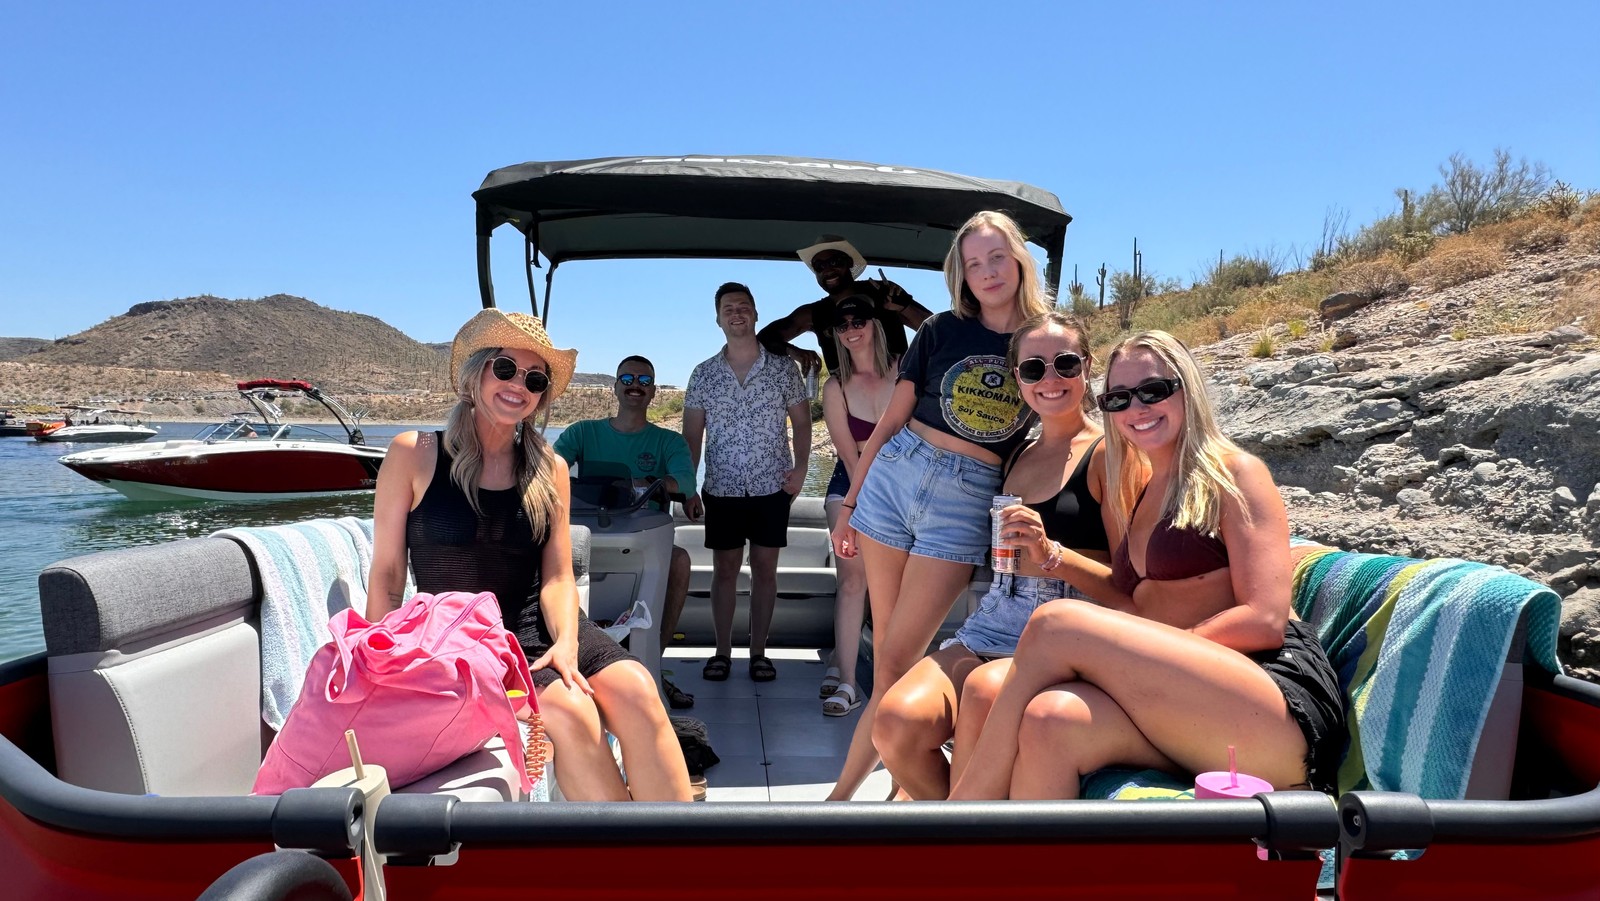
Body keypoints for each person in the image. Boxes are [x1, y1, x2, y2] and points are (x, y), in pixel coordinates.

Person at [947, 330, 1347, 800]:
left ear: (1187, 388)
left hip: (1270, 702)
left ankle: (955, 826)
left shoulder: (1234, 472)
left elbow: (1264, 621)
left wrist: (1135, 658)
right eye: (1118, 398)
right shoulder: (1144, 489)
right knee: (1050, 718)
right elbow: (1134, 602)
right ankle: (1022, 871)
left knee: (1055, 621)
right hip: (1189, 706)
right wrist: (1054, 557)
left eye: (1154, 390)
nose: (1137, 408)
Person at [367, 308, 692, 802]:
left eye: (534, 378)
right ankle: (631, 868)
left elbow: (559, 578)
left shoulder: (550, 467)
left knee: (640, 691)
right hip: (465, 637)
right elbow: (389, 575)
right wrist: (382, 666)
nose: (518, 384)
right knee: (572, 710)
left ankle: (682, 865)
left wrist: (564, 643)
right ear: (475, 374)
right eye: (505, 369)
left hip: (541, 622)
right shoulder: (414, 453)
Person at [825, 210, 1049, 801]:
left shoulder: (1042, 341)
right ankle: (880, 794)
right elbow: (890, 421)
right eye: (973, 263)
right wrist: (850, 498)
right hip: (898, 475)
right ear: (961, 275)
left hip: (968, 495)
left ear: (1020, 259)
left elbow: (1062, 416)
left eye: (997, 257)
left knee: (898, 658)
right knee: (892, 654)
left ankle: (839, 802)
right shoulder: (942, 330)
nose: (987, 272)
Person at [872, 310, 1110, 799]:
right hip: (993, 622)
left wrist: (1052, 554)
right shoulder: (1018, 451)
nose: (1050, 379)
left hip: (1060, 634)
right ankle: (960, 837)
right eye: (1032, 369)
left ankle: (958, 852)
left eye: (1065, 364)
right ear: (1016, 378)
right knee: (894, 725)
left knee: (981, 697)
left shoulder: (1109, 454)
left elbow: (1130, 582)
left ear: (1087, 367)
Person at [554, 354, 701, 710]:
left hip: (641, 540)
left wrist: (643, 482)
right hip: (583, 535)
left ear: (653, 393)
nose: (636, 385)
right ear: (615, 387)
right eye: (628, 378)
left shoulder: (669, 443)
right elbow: (549, 467)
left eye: (645, 381)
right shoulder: (581, 433)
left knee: (679, 561)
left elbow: (684, 481)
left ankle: (653, 663)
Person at [683, 283, 811, 683]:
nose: (736, 313)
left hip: (773, 485)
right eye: (728, 308)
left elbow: (803, 423)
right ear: (718, 318)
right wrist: (689, 486)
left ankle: (759, 653)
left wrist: (803, 467)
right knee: (724, 571)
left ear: (755, 314)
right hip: (720, 487)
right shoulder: (702, 374)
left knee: (765, 572)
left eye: (743, 307)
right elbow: (691, 438)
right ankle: (722, 652)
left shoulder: (783, 369)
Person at [817, 295, 899, 717]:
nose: (852, 327)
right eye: (842, 323)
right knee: (853, 580)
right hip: (851, 484)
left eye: (859, 319)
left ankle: (882, 680)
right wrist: (856, 506)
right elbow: (850, 457)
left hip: (900, 486)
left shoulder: (904, 373)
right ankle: (847, 683)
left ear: (874, 324)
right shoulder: (835, 387)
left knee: (889, 588)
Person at [758, 235, 932, 379]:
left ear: (848, 262)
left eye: (835, 262)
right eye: (820, 266)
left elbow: (934, 329)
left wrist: (904, 306)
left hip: (899, 393)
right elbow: (765, 338)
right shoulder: (814, 313)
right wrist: (793, 351)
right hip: (850, 405)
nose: (828, 270)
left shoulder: (882, 292)